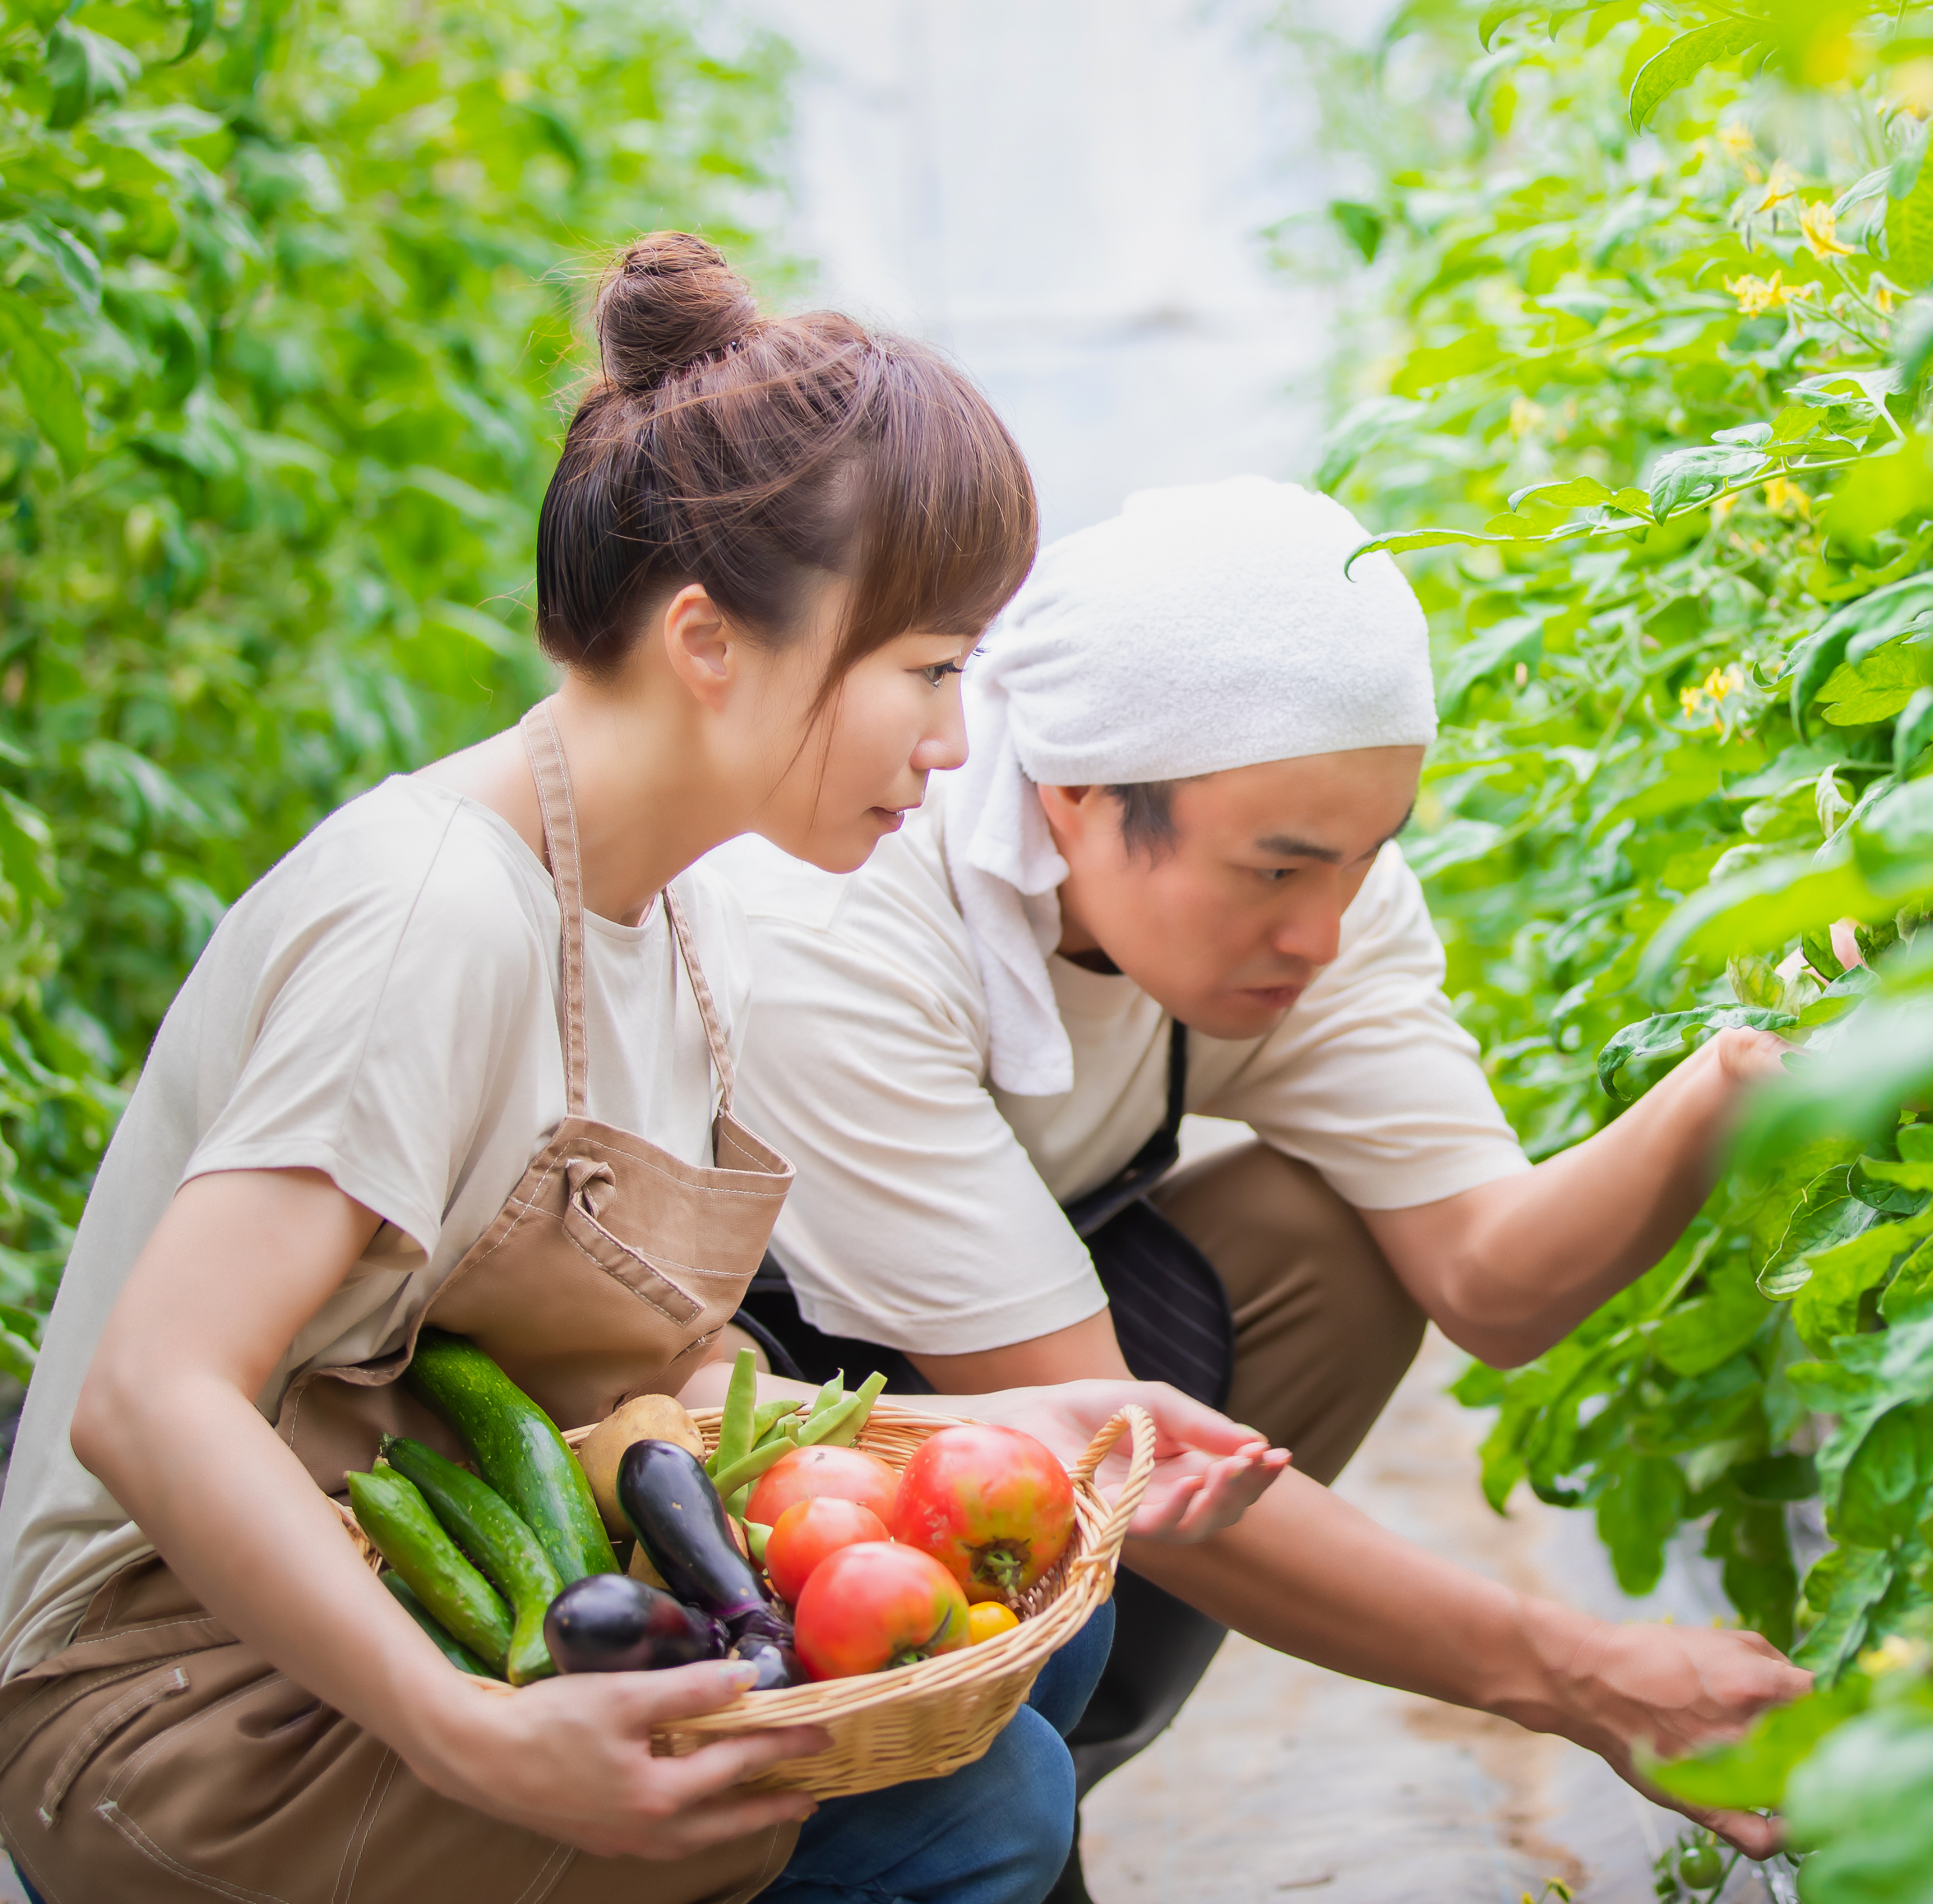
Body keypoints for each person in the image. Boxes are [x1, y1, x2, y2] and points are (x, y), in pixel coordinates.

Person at [0, 236, 1284, 1904]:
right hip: (180, 1702)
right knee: (973, 1815)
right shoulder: (434, 914)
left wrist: (1020, 1420)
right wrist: (470, 1735)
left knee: (1045, 1644)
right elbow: (154, 1397)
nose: (955, 741)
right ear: (708, 641)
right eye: (928, 668)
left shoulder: (683, 920)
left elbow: (644, 1401)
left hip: (438, 1598)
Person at [714, 476, 1811, 1893]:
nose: (1322, 931)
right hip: (758, 1410)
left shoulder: (1316, 899)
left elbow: (1492, 1279)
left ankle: (1047, 1752)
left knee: (1325, 1245)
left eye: (1364, 856)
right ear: (1072, 795)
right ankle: (908, 1800)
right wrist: (1581, 1676)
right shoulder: (848, 926)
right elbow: (1111, 1443)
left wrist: (1731, 1081)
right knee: (1025, 1539)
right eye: (1276, 870)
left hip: (1005, 1373)